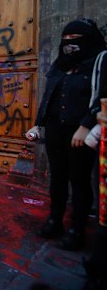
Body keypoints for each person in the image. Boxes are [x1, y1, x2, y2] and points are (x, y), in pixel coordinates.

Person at [26, 18, 107, 251]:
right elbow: (49, 95)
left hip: (78, 131)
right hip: (54, 129)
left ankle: (77, 230)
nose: (69, 43)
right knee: (58, 177)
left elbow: (101, 96)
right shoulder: (60, 64)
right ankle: (54, 221)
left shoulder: (98, 62)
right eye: (67, 38)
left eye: (76, 39)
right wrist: (39, 125)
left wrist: (86, 125)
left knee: (79, 181)